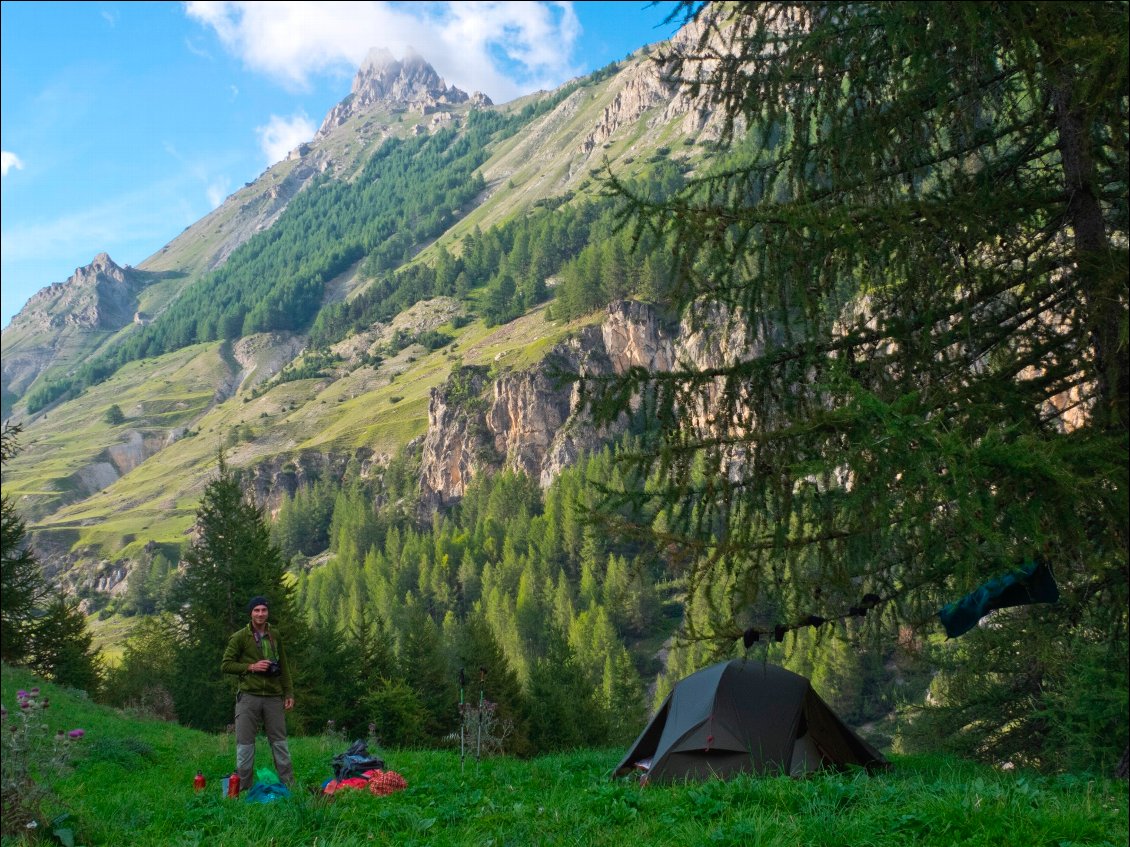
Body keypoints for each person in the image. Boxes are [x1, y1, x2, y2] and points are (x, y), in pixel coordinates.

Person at [221, 595, 295, 790]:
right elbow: (226, 665)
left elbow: (284, 666)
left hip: (273, 696)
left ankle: (288, 785)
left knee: (279, 743)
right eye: (257, 610)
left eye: (263, 610)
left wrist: (289, 693)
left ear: (267, 612)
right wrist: (251, 666)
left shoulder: (275, 635)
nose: (260, 614)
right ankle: (243, 787)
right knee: (245, 744)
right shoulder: (240, 637)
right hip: (248, 696)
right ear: (251, 613)